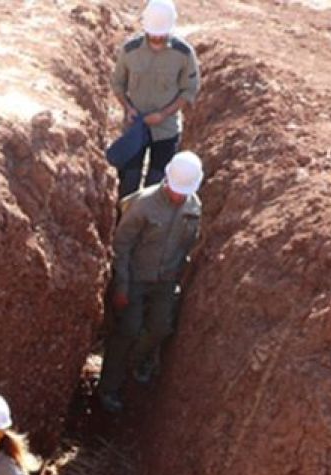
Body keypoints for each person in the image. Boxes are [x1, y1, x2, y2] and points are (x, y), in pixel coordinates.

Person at [97, 151, 204, 413]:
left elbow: (187, 245)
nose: (179, 196)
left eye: (184, 192)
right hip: (135, 278)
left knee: (161, 328)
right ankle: (108, 389)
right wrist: (121, 286)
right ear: (167, 178)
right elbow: (121, 247)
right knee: (128, 330)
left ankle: (140, 360)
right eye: (176, 190)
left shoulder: (193, 206)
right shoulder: (143, 205)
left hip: (165, 281)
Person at [111, 0, 201, 199]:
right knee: (128, 182)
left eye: (161, 33)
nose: (157, 37)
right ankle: (124, 224)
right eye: (154, 32)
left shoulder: (183, 54)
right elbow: (118, 84)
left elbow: (189, 90)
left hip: (166, 130)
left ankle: (150, 228)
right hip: (135, 126)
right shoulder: (130, 51)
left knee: (157, 187)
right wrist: (128, 108)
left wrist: (164, 114)